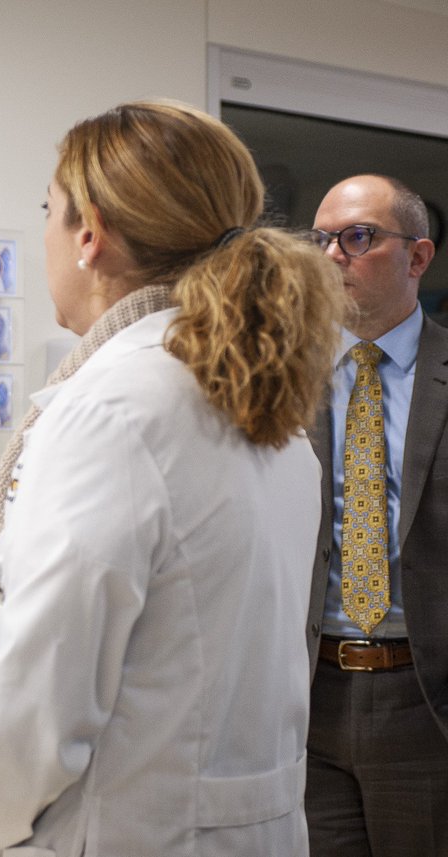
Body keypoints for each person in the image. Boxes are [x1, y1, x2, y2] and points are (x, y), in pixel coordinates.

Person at [0, 100, 345, 857]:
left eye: (50, 211)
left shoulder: (114, 410)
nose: (47, 233)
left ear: (89, 234)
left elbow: (33, 707)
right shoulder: (272, 412)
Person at [305, 174, 447, 856]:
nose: (333, 255)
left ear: (418, 257)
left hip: (427, 700)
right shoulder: (279, 378)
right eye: (321, 239)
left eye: (357, 237)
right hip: (308, 696)